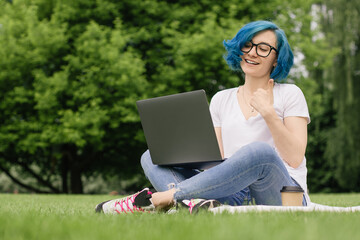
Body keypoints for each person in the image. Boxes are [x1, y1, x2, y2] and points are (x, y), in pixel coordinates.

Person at [95, 20, 311, 214]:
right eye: (247, 45)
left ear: (276, 59)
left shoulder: (290, 94)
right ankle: (193, 203)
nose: (252, 52)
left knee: (260, 152)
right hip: (232, 193)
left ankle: (166, 199)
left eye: (263, 49)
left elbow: (294, 157)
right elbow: (214, 165)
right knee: (151, 157)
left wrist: (268, 112)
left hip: (282, 194)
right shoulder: (220, 99)